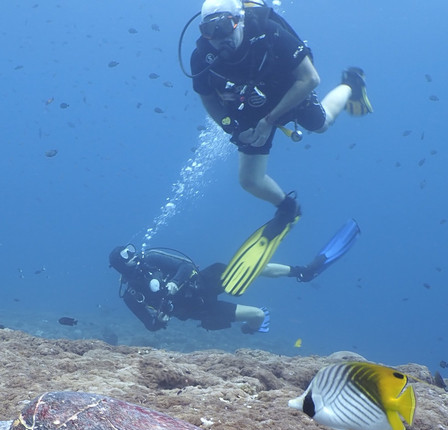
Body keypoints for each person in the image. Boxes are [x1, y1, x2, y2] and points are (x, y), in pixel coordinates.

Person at [190, 0, 372, 213]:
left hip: (289, 92)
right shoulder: (202, 57)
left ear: (239, 21)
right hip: (250, 106)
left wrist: (269, 120)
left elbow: (310, 79)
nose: (221, 38)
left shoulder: (269, 32)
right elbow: (207, 96)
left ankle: (350, 83)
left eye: (225, 26)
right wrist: (230, 126)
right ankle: (287, 207)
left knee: (322, 124)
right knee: (250, 180)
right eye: (210, 30)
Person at [109, 218, 360, 334]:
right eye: (128, 254)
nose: (134, 253)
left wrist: (174, 284)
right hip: (198, 311)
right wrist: (160, 320)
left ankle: (302, 272)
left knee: (251, 267)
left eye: (131, 249)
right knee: (258, 316)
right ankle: (250, 332)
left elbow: (185, 266)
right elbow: (149, 325)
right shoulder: (131, 295)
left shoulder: (150, 257)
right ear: (123, 266)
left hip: (203, 281)